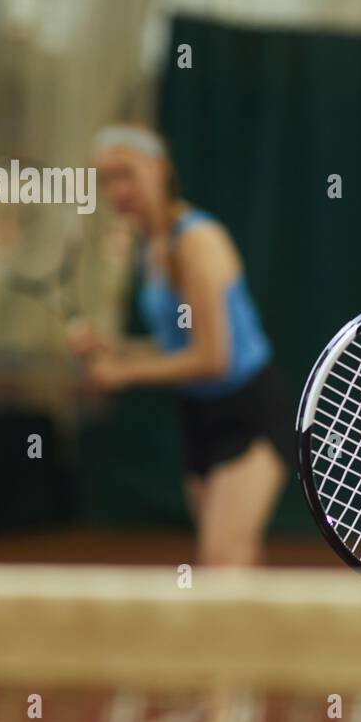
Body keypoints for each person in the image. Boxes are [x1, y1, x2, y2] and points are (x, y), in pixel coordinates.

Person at [71, 124, 293, 567]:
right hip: (198, 418)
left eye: (126, 174)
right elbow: (176, 345)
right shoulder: (149, 247)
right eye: (106, 179)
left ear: (159, 170)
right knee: (232, 559)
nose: (116, 190)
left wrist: (125, 373)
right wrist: (116, 348)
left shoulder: (196, 242)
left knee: (222, 558)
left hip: (249, 412)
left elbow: (215, 358)